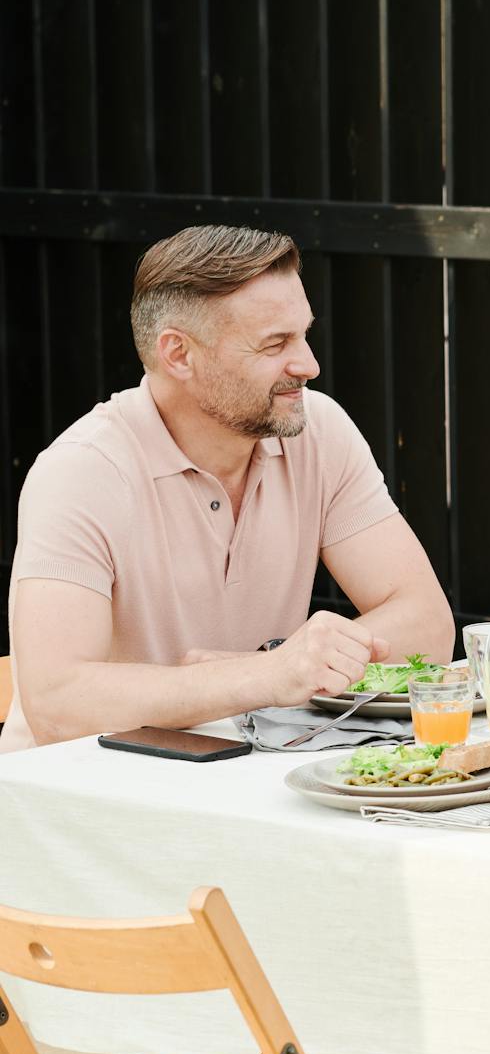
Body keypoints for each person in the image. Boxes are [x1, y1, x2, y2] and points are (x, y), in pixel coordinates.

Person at [3, 226, 454, 752]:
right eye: (274, 343)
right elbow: (57, 705)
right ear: (179, 355)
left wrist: (264, 668)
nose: (308, 365)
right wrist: (263, 677)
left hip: (244, 780)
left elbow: (428, 626)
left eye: (303, 334)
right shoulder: (81, 473)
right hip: (82, 806)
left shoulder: (318, 429)